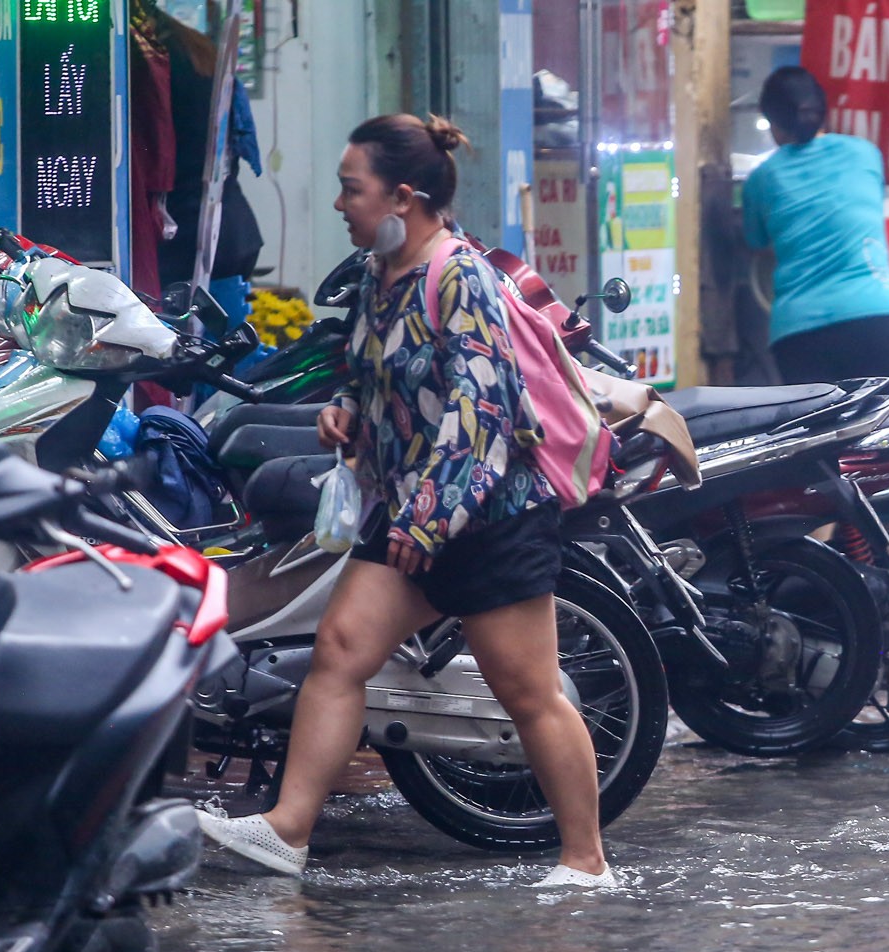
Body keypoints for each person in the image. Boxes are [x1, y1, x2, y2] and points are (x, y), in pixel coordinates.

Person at [196, 114, 611, 887]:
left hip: (487, 519)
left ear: (403, 198)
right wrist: (345, 414)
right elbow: (373, 378)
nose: (339, 204)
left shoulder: (460, 277)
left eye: (351, 189)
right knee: (341, 649)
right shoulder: (379, 275)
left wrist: (428, 519)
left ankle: (585, 861)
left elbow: (481, 416)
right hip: (408, 514)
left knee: (528, 693)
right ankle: (287, 828)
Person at [742, 66, 889, 400]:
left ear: (775, 125)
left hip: (800, 332)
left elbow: (756, 241)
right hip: (876, 316)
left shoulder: (762, 179)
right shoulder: (866, 154)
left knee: (817, 433)